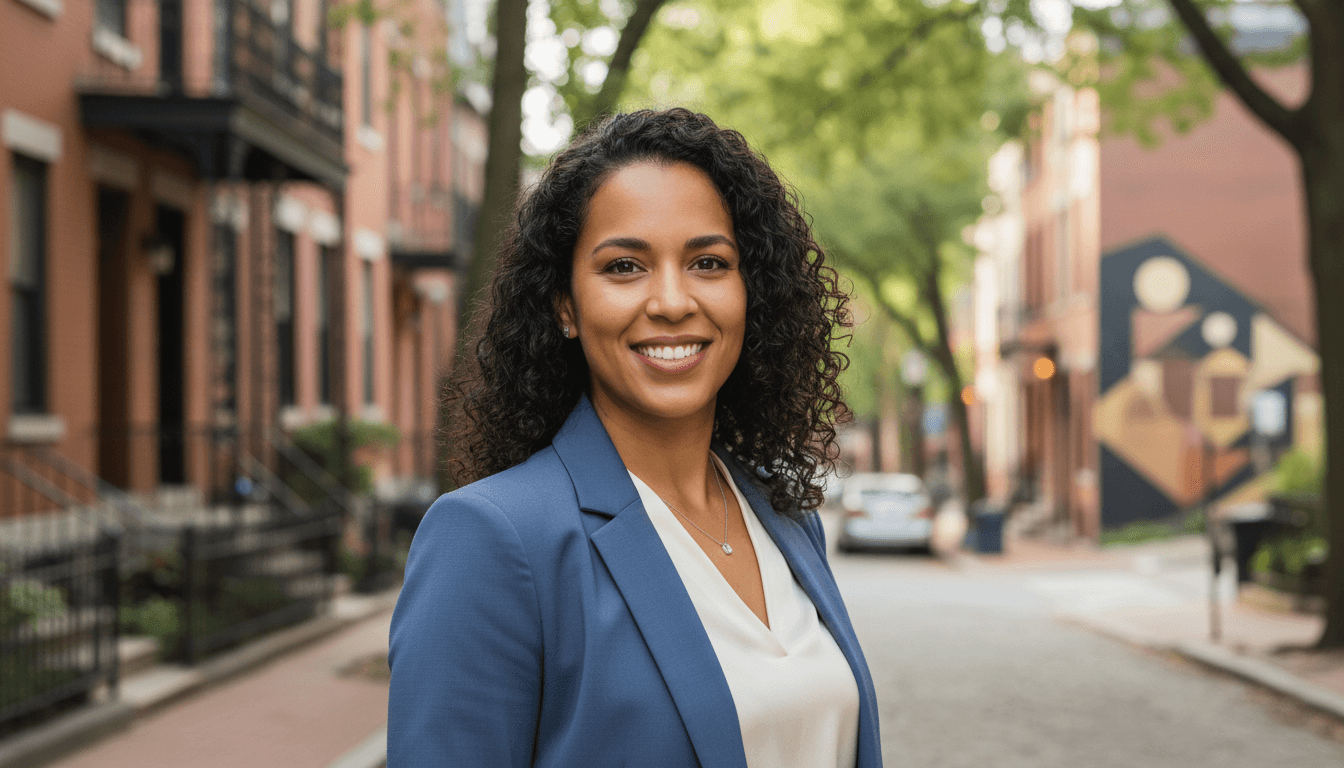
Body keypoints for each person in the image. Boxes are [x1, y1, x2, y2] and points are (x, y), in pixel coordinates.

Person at [387, 108, 881, 768]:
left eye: (709, 262)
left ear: (749, 291)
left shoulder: (785, 517)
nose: (673, 301)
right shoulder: (494, 539)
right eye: (625, 267)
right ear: (565, 304)